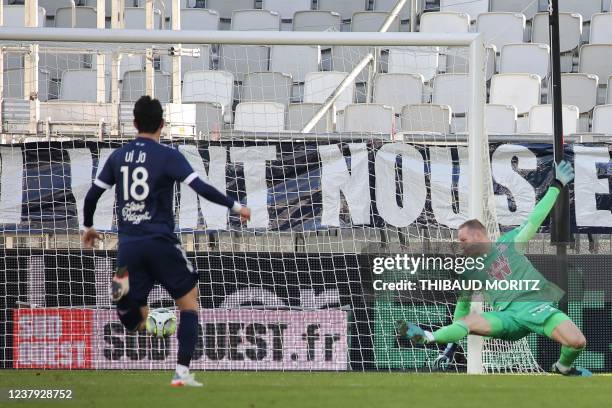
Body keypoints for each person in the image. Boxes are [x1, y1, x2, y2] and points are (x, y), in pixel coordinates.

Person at [82, 95, 251, 386]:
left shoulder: (117, 157)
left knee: (127, 312)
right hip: (161, 242)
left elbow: (93, 196)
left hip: (129, 247)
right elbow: (201, 187)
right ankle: (181, 373)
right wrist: (236, 206)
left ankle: (153, 320)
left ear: (134, 123)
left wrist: (88, 226)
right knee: (189, 301)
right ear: (162, 124)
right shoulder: (169, 156)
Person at [397, 160, 591, 376]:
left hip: (535, 307)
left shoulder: (509, 242)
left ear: (478, 234)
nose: (461, 245)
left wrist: (556, 185)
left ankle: (563, 368)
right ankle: (428, 337)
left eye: (463, 239)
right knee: (470, 321)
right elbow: (462, 309)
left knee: (577, 341)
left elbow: (535, 219)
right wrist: (452, 343)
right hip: (505, 318)